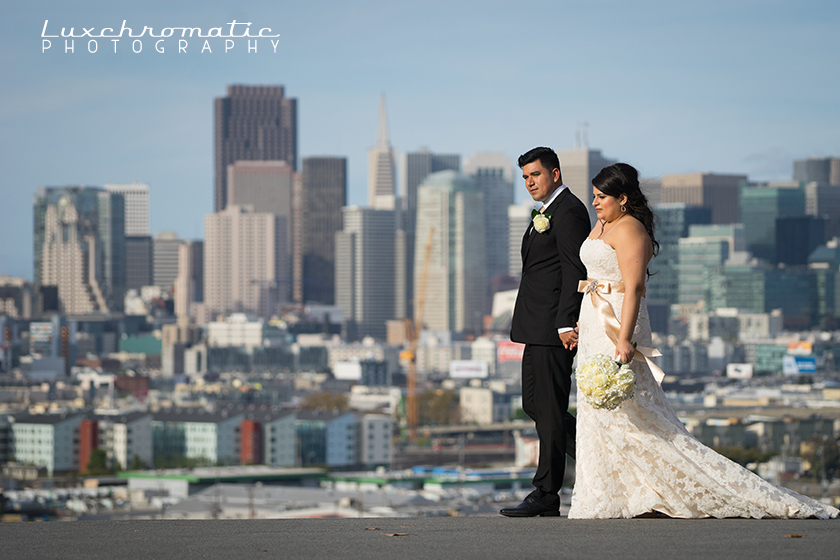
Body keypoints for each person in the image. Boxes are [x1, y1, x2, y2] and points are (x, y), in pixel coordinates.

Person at [568, 162, 839, 519]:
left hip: (618, 321)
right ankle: (613, 494)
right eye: (594, 195)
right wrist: (578, 321)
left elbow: (633, 288)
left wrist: (624, 338)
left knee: (631, 415)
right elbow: (596, 273)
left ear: (623, 198)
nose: (595, 202)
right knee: (599, 414)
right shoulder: (603, 223)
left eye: (602, 196)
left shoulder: (631, 229)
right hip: (591, 319)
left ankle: (679, 487)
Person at [501, 147, 590, 517]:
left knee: (549, 408)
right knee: (535, 404)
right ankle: (596, 456)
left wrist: (566, 322)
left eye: (535, 174)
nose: (529, 182)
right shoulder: (546, 212)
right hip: (536, 325)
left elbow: (574, 269)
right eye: (524, 177)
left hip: (555, 327)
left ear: (555, 173)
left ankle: (546, 493)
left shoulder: (568, 212)